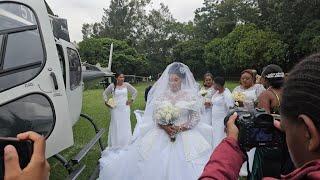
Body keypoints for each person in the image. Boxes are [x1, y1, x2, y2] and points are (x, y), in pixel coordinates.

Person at [199, 53, 320, 179]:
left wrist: (232, 144)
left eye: (285, 126)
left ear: (309, 132)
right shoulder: (283, 92)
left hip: (270, 146)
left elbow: (263, 122)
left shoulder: (265, 94)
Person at [99, 62, 213, 180]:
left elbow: (195, 118)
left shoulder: (190, 96)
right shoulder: (162, 95)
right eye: (170, 80)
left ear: (182, 80)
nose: (172, 83)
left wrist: (180, 128)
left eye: (176, 80)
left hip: (184, 134)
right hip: (162, 132)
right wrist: (165, 127)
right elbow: (155, 116)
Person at [251, 65, 294, 179]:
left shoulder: (266, 94)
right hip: (291, 137)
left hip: (272, 139)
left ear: (266, 78)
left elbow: (264, 120)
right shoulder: (289, 92)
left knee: (267, 170)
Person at [232, 69, 265, 176]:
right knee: (239, 142)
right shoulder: (237, 89)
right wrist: (236, 104)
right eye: (243, 78)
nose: (245, 80)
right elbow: (232, 103)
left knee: (250, 142)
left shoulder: (258, 88)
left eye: (247, 78)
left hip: (252, 119)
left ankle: (250, 166)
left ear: (253, 79)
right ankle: (239, 165)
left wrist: (245, 104)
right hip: (239, 118)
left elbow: (260, 104)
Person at [103, 72, 137, 150]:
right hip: (115, 109)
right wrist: (106, 102)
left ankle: (126, 143)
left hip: (125, 108)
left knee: (125, 125)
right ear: (116, 78)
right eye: (120, 77)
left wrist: (131, 100)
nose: (122, 79)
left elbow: (135, 92)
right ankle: (116, 144)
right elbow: (105, 93)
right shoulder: (112, 86)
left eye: (123, 77)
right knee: (116, 125)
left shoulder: (127, 85)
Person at [211, 77, 234, 149]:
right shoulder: (217, 92)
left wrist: (227, 124)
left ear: (218, 85)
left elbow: (230, 109)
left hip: (221, 120)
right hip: (214, 120)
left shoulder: (226, 94)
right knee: (215, 135)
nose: (213, 85)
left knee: (220, 135)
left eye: (214, 84)